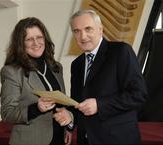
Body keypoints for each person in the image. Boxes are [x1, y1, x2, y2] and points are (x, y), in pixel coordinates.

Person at [54, 9, 148, 145]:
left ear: (100, 29)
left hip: (118, 140)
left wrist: (100, 105)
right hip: (86, 140)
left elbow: (139, 95)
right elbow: (78, 103)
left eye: (88, 29)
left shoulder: (121, 51)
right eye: (77, 31)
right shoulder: (77, 64)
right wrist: (70, 117)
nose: (83, 36)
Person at [0, 17, 72, 145]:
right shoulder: (12, 72)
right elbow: (7, 113)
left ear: (45, 38)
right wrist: (36, 108)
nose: (36, 43)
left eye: (39, 37)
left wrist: (68, 128)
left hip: (59, 138)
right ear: (20, 44)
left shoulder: (56, 67)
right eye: (29, 39)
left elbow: (62, 103)